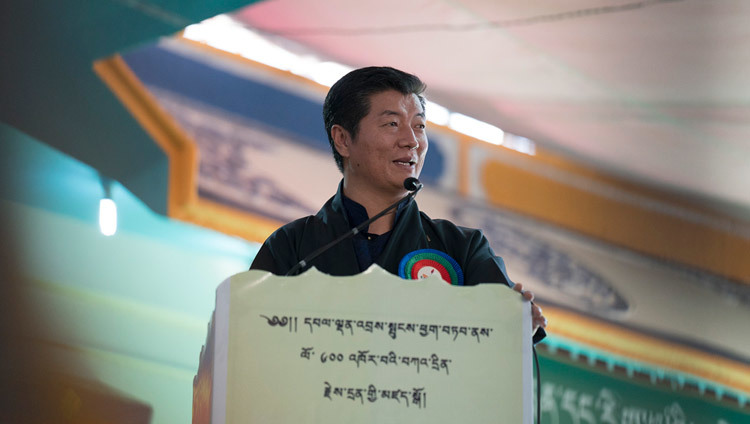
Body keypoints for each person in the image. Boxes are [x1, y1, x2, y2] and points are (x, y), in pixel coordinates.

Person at [250, 66, 547, 341]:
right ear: (342, 140)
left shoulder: (463, 249)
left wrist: (519, 324)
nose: (412, 141)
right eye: (392, 123)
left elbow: (500, 345)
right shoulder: (292, 248)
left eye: (419, 126)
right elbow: (250, 337)